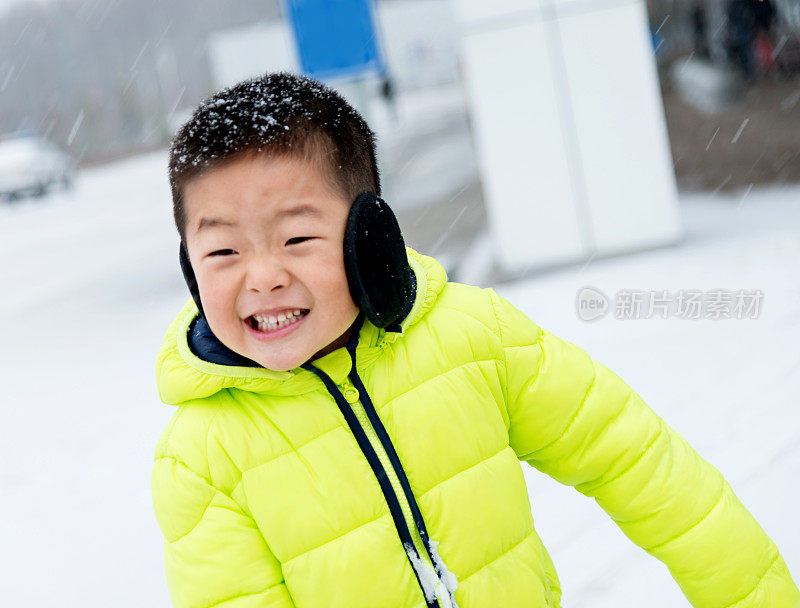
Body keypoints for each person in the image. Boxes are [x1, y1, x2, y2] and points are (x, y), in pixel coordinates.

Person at [151, 71, 799, 608]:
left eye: (296, 238)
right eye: (223, 251)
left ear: (368, 236)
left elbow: (641, 465)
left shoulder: (473, 338)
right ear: (190, 267)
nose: (262, 277)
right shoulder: (204, 458)